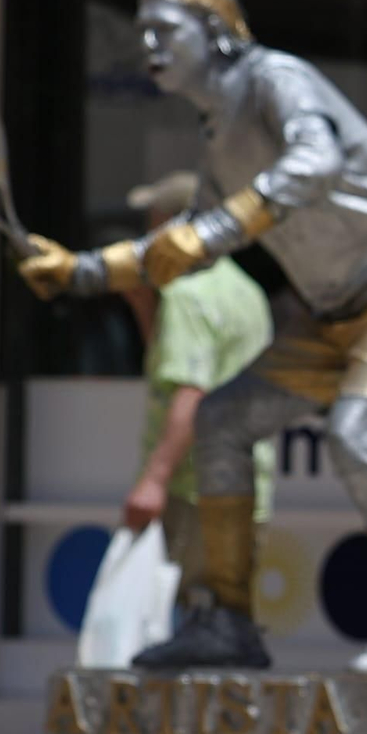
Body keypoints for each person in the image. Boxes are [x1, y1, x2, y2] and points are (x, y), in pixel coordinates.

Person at [18, 0, 367, 673]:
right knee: (222, 420)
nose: (148, 45)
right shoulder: (217, 137)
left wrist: (204, 232)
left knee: (357, 434)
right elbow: (186, 242)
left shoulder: (276, 78)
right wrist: (80, 271)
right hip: (337, 309)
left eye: (164, 30)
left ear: (216, 32)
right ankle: (226, 619)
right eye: (142, 31)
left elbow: (314, 164)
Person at [116, 171, 274, 610]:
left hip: (194, 496)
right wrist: (146, 311)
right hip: (244, 490)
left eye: (153, 220)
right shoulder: (246, 292)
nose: (148, 234)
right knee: (227, 630)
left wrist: (153, 481)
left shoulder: (190, 297)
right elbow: (193, 370)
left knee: (191, 637)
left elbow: (192, 393)